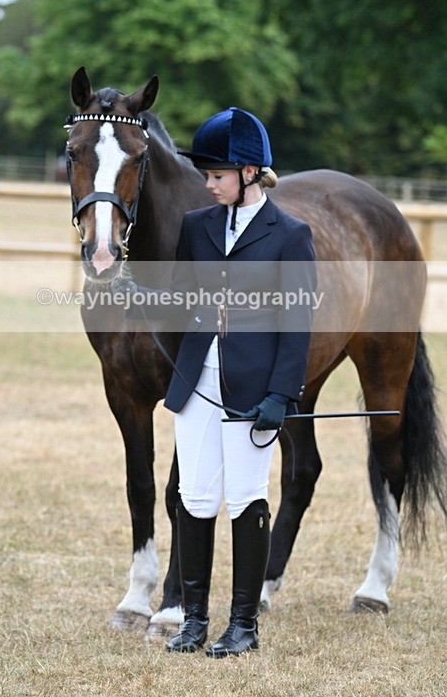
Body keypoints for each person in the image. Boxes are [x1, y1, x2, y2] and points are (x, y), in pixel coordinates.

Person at [114, 106, 315, 658]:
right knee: (195, 496)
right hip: (196, 383)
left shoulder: (290, 236)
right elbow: (183, 296)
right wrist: (144, 294)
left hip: (255, 391)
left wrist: (282, 393)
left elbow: (297, 324)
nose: (207, 185)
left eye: (217, 176)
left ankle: (243, 624)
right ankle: (194, 619)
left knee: (246, 498)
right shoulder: (199, 226)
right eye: (205, 175)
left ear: (250, 172)